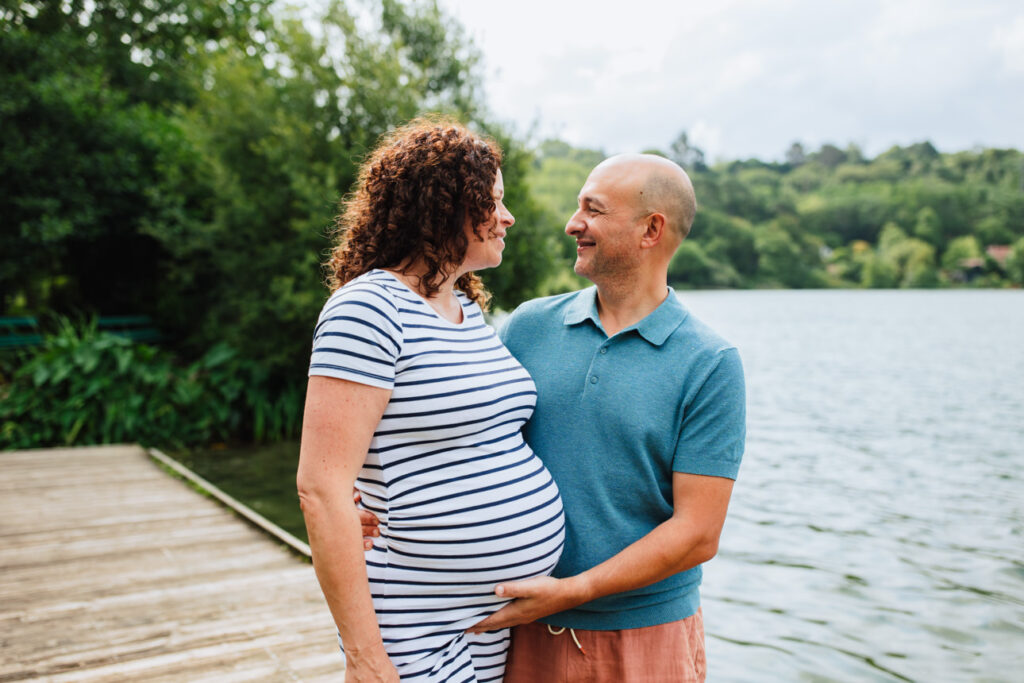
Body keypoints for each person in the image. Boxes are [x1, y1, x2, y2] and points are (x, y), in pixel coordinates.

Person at [359, 153, 745, 680]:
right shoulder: (529, 326)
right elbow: (457, 428)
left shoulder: (709, 363)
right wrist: (365, 494)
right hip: (516, 630)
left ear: (651, 229)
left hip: (642, 636)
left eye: (594, 210)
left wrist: (571, 592)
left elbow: (698, 532)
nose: (572, 224)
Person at [297, 119, 565, 683]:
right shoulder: (369, 309)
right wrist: (366, 657)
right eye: (493, 202)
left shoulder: (469, 311)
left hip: (485, 623)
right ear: (446, 208)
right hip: (412, 625)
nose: (508, 217)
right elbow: (320, 489)